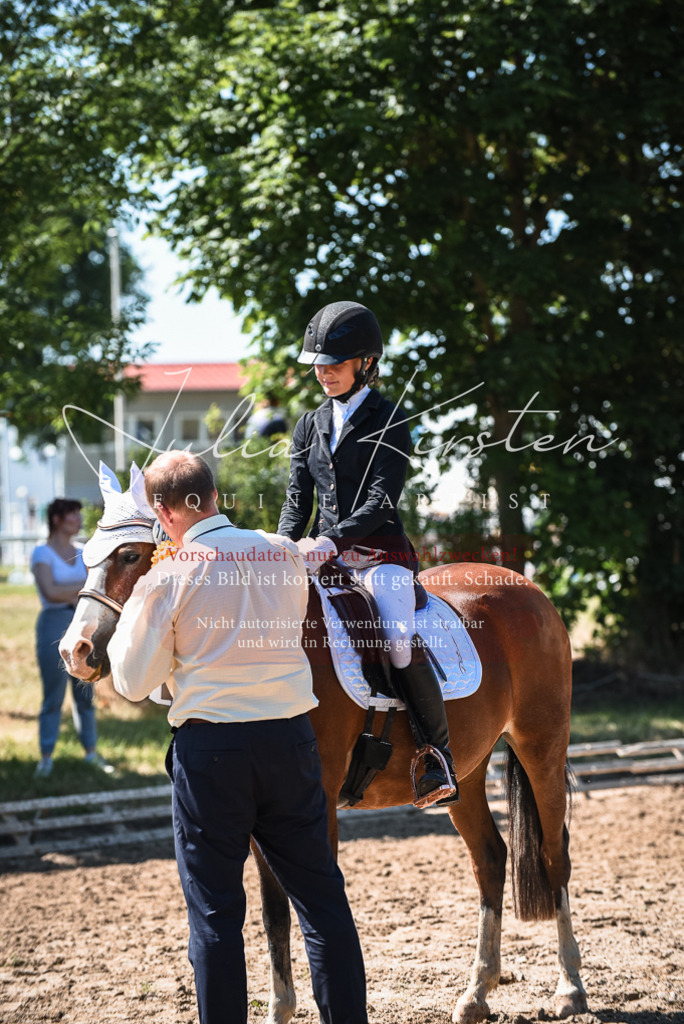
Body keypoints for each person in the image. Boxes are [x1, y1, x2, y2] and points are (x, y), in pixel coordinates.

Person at [107, 451, 368, 1024]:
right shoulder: (281, 554)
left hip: (213, 754)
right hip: (291, 742)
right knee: (323, 902)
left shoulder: (168, 577)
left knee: (217, 914)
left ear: (161, 512)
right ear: (215, 496)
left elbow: (130, 681)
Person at [277, 300, 459, 807]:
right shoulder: (309, 425)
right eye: (317, 362)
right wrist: (283, 548)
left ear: (366, 363)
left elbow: (382, 500)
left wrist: (332, 541)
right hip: (320, 558)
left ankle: (434, 755)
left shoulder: (390, 417)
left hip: (381, 556)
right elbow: (297, 502)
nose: (322, 371)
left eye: (334, 362)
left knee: (398, 640)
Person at [30, 498, 111, 777]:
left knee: (85, 693)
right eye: (72, 514)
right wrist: (84, 588)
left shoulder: (83, 551)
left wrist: (76, 589)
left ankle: (91, 753)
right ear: (57, 519)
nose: (78, 519)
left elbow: (98, 587)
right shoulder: (42, 552)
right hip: (54, 622)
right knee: (53, 696)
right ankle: (46, 758)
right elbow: (50, 592)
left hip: (83, 623)